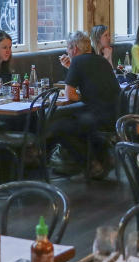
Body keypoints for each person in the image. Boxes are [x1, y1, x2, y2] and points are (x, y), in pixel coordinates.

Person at [48, 31, 119, 177]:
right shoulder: (101, 60)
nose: (67, 52)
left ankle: (92, 162)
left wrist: (83, 97)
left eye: (68, 48)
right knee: (77, 122)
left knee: (58, 127)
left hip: (99, 116)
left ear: (74, 49)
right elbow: (90, 80)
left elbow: (70, 95)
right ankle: (104, 157)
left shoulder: (78, 62)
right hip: (117, 115)